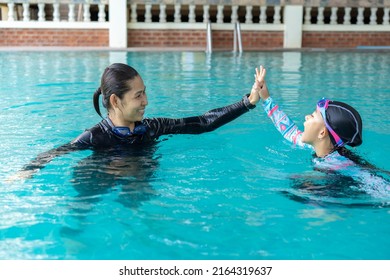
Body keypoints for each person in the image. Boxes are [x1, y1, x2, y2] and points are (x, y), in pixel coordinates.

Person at [12, 63, 261, 181]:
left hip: (140, 176)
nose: (146, 101)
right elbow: (56, 152)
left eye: (145, 93)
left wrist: (248, 101)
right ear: (116, 101)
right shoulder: (95, 137)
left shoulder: (153, 127)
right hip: (105, 172)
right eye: (138, 95)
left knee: (138, 178)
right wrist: (27, 170)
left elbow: (203, 123)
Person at [251, 65, 389, 200]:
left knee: (300, 188)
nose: (306, 116)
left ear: (322, 133)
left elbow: (376, 184)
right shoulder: (317, 145)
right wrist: (266, 98)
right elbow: (289, 131)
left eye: (313, 115)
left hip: (344, 189)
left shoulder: (341, 164)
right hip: (332, 181)